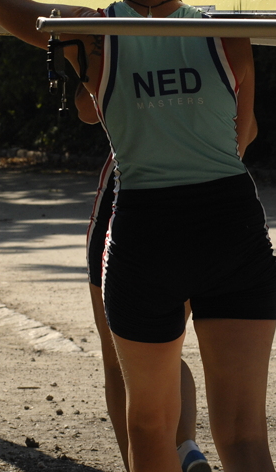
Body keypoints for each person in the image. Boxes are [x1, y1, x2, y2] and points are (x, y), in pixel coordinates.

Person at [0, 0, 276, 472]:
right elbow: (244, 135)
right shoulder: (224, 29)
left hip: (146, 228)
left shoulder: (91, 32)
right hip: (231, 222)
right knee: (244, 436)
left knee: (150, 424)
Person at [76, 88, 210, 472]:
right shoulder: (214, 30)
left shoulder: (117, 29)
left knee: (124, 358)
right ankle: (185, 445)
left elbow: (88, 110)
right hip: (211, 191)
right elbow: (246, 129)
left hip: (130, 196)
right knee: (168, 349)